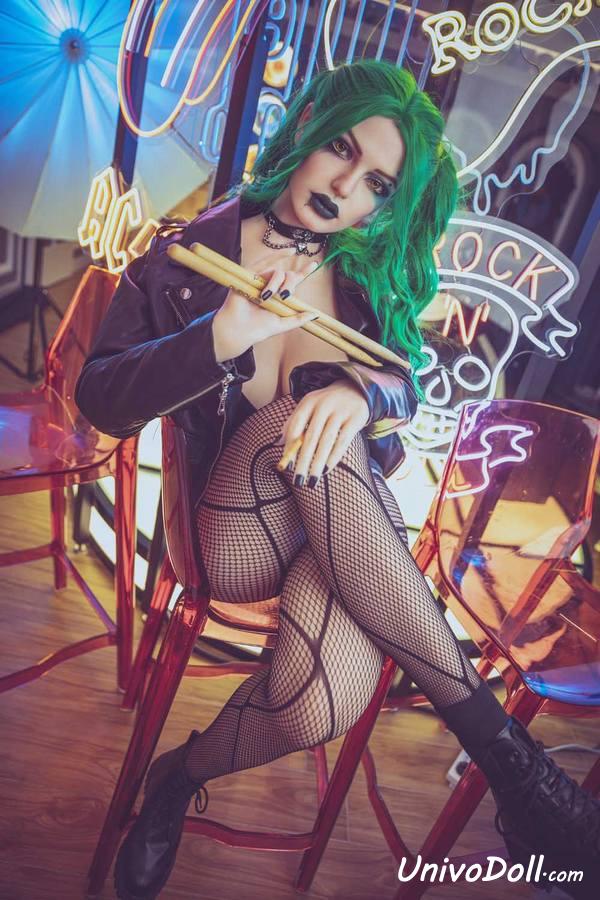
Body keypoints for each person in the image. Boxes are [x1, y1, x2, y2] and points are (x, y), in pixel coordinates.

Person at [75, 60, 600, 900]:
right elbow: (100, 399)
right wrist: (220, 337)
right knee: (296, 422)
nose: (347, 185)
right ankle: (511, 763)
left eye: (377, 182)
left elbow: (402, 383)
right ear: (309, 127)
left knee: (316, 704)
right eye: (342, 149)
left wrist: (362, 393)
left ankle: (175, 777)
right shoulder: (185, 259)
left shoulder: (365, 277)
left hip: (335, 541)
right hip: (230, 536)